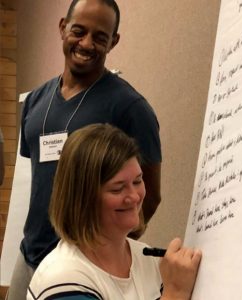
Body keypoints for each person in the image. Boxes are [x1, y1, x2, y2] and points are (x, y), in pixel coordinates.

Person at [7, 0, 161, 299]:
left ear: (113, 42)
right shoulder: (36, 102)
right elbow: (39, 182)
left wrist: (107, 251)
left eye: (100, 37)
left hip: (86, 267)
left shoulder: (130, 108)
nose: (87, 43)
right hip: (30, 256)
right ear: (62, 28)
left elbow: (150, 195)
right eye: (79, 31)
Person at [27, 124, 201, 300]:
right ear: (82, 199)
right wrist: (176, 292)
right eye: (117, 189)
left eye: (137, 181)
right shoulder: (63, 279)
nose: (134, 197)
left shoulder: (148, 259)